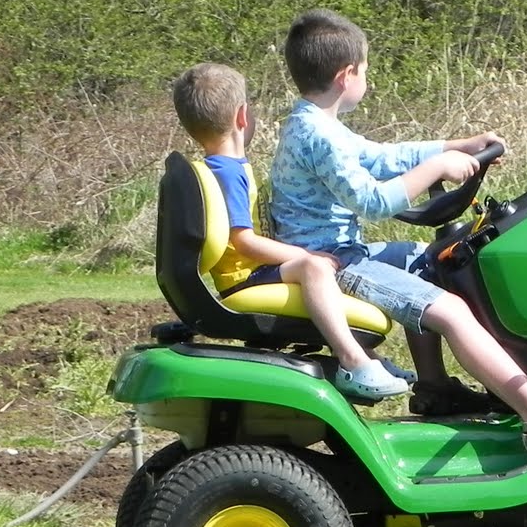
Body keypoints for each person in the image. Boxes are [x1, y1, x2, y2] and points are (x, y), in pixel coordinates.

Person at [269, 8, 527, 451]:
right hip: (333, 260)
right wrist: (437, 167)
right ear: (347, 75)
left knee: (434, 260)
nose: (367, 77)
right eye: (367, 70)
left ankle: (434, 389)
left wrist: (457, 146)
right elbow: (373, 202)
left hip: (338, 248)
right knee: (450, 309)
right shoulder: (318, 135)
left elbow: (382, 156)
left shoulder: (315, 123)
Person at [171, 62, 411, 401]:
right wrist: (305, 255)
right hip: (248, 277)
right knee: (315, 268)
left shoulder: (225, 166)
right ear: (243, 116)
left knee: (316, 265)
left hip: (251, 272)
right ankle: (355, 361)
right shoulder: (228, 172)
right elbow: (245, 241)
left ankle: (373, 361)